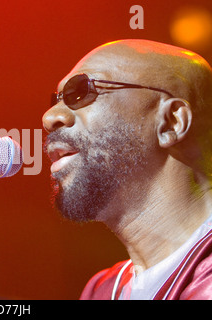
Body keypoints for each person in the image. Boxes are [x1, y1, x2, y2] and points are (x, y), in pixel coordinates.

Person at [42, 39, 212, 300]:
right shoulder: (101, 290)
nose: (50, 117)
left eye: (81, 90)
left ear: (171, 122)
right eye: (57, 99)